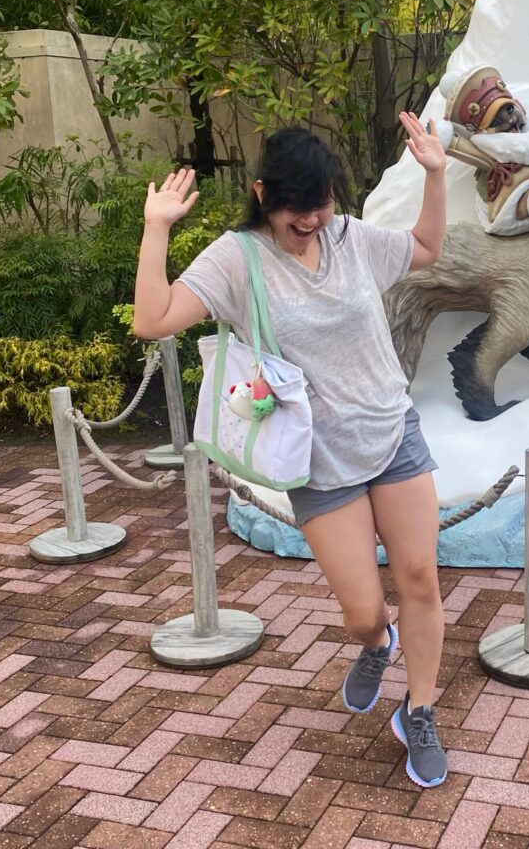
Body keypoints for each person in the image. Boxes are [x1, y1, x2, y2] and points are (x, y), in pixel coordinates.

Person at [133, 112, 450, 788]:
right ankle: (375, 645)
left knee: (421, 579)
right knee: (364, 610)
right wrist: (156, 228)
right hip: (318, 460)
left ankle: (420, 710)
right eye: (295, 212)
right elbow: (150, 319)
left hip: (392, 433)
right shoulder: (237, 259)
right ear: (261, 195)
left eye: (321, 205)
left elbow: (425, 248)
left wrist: (435, 173)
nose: (310, 222)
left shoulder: (349, 237)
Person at [434, 64, 529, 235]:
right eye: (496, 123)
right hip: (516, 192)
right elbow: (459, 147)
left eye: (509, 109)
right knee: (522, 195)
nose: (510, 120)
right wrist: (447, 139)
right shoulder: (492, 149)